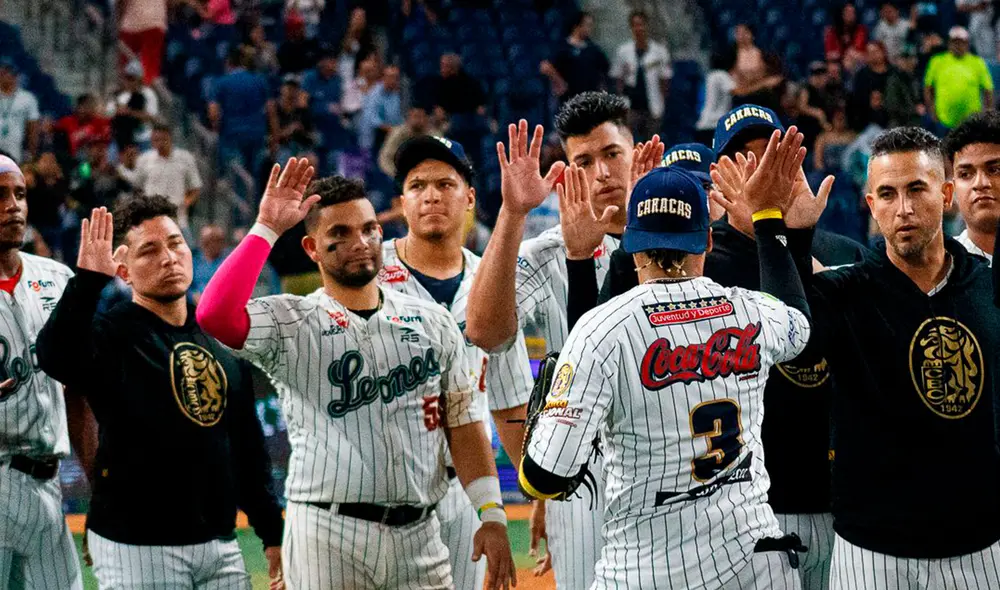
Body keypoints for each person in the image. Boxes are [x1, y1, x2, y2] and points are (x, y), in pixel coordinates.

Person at [578, 105, 866, 590]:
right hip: (755, 513)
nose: (758, 170)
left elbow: (842, 347)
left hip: (847, 499)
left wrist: (794, 238)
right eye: (742, 159)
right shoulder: (702, 264)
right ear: (718, 176)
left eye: (771, 155)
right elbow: (615, 328)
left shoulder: (841, 251)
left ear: (795, 161)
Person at [195, 159, 518, 589]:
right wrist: (267, 228)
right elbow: (215, 314)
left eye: (368, 229)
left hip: (420, 534)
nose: (360, 242)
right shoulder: (293, 321)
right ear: (312, 248)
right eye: (340, 234)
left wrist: (492, 514)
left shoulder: (432, 322)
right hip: (327, 533)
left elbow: (462, 422)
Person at [522, 133, 813, 589]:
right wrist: (768, 219)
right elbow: (799, 323)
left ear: (633, 245)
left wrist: (547, 414)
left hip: (645, 569)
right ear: (707, 242)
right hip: (751, 561)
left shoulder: (602, 329)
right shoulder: (750, 310)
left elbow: (545, 476)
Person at [722, 126, 1000, 589]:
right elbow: (790, 337)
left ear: (947, 193)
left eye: (917, 189)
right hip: (872, 553)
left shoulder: (989, 285)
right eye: (887, 194)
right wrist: (774, 226)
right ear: (871, 205)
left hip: (980, 547)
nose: (904, 209)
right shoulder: (846, 289)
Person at [35, 197, 286, 589]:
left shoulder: (220, 341)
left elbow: (246, 446)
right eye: (149, 250)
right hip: (136, 545)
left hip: (220, 543)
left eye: (175, 244)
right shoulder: (110, 333)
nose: (168, 258)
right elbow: (55, 356)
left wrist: (272, 532)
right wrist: (87, 281)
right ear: (124, 270)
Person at [466, 92, 662, 589]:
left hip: (679, 474)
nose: (600, 174)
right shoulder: (550, 253)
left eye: (611, 154)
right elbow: (485, 332)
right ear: (567, 172)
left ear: (636, 152)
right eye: (583, 162)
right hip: (586, 491)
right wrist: (512, 213)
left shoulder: (687, 237)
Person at [381, 135, 536, 589]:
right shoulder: (367, 273)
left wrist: (536, 491)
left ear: (469, 197)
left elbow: (510, 404)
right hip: (383, 487)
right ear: (401, 202)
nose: (431, 195)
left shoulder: (494, 281)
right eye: (418, 185)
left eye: (446, 184)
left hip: (464, 491)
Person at [0, 155, 82, 590]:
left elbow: (80, 393)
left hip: (49, 485)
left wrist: (99, 481)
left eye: (19, 194)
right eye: (0, 196)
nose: (13, 206)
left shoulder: (58, 278)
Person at [944, 110, 1000, 264]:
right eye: (965, 174)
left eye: (994, 170)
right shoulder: (940, 271)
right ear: (952, 187)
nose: (980, 183)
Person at [209, 48, 272, 173]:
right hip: (257, 133)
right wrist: (274, 137)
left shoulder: (221, 82)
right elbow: (271, 110)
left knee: (237, 176)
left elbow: (213, 112)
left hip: (232, 134)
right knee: (254, 176)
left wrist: (216, 128)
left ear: (228, 63)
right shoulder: (259, 80)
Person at [611, 10, 672, 140]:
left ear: (647, 25)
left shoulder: (659, 51)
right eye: (635, 25)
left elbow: (665, 79)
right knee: (629, 141)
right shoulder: (623, 51)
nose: (639, 28)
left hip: (653, 105)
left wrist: (662, 102)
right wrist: (621, 100)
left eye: (641, 24)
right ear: (631, 27)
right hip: (631, 106)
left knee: (652, 142)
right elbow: (618, 78)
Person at [133, 124, 202, 233]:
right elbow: (137, 188)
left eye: (163, 139)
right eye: (156, 140)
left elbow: (195, 188)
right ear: (151, 141)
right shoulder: (144, 160)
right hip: (151, 218)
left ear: (170, 138)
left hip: (177, 218)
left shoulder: (185, 158)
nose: (160, 143)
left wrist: (185, 204)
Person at [924, 27, 994, 131]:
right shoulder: (937, 61)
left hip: (971, 122)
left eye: (961, 42)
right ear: (949, 43)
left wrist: (987, 114)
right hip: (943, 121)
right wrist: (931, 111)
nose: (958, 46)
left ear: (967, 44)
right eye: (955, 42)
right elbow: (928, 88)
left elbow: (988, 90)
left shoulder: (978, 63)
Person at [540, 11, 611, 102]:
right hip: (568, 100)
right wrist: (559, 82)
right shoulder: (562, 47)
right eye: (587, 25)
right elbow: (545, 67)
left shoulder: (593, 49)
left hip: (590, 101)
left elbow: (606, 69)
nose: (589, 29)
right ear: (577, 26)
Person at [107, 60, 159, 149]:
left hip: (142, 137)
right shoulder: (120, 94)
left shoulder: (148, 94)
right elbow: (108, 113)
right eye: (126, 78)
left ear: (139, 79)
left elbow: (152, 116)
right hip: (122, 137)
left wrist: (129, 112)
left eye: (132, 78)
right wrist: (117, 110)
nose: (128, 81)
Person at [117, 0, 167, 84]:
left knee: (128, 67)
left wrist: (118, 21)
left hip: (133, 24)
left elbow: (121, 3)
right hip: (152, 22)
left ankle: (132, 89)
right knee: (148, 69)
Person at [0, 59, 39, 164]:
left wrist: (32, 153)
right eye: (2, 73)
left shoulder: (27, 98)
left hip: (16, 150)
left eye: (8, 73)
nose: (4, 76)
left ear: (15, 76)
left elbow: (33, 128)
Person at [358, 65, 403, 155]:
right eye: (390, 77)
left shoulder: (397, 94)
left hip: (391, 134)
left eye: (396, 77)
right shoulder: (375, 93)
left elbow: (398, 117)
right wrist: (390, 128)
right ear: (383, 78)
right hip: (375, 135)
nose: (393, 80)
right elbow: (372, 118)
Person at [52, 94, 111, 161]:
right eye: (88, 106)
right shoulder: (66, 122)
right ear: (79, 107)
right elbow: (52, 129)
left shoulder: (100, 122)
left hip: (97, 158)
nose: (92, 109)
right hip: (74, 159)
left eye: (93, 106)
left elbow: (106, 143)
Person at [695, 51, 736, 147]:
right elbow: (738, 91)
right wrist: (764, 84)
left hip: (704, 124)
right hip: (713, 125)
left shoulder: (710, 75)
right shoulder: (721, 75)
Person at [191, 224, 229, 301]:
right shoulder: (193, 262)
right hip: (194, 305)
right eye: (206, 240)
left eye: (217, 240)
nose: (211, 244)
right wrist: (192, 296)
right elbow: (186, 287)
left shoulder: (228, 263)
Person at [824, 2, 868, 67]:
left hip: (857, 62)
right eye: (847, 12)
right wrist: (844, 54)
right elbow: (829, 54)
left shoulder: (861, 29)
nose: (850, 15)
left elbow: (858, 49)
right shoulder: (831, 31)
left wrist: (843, 54)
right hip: (837, 64)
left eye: (853, 12)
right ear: (841, 14)